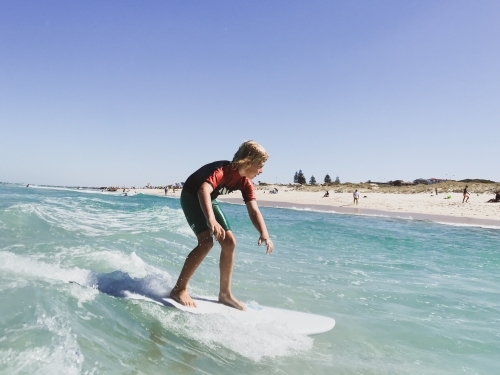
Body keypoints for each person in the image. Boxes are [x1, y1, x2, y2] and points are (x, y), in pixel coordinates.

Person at [169, 140, 274, 310]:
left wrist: (264, 233)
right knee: (206, 242)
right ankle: (179, 290)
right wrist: (211, 219)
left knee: (230, 242)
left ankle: (225, 295)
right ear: (248, 162)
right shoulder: (223, 171)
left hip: (208, 199)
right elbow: (203, 190)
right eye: (260, 165)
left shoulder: (246, 182)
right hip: (191, 195)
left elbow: (254, 210)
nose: (261, 171)